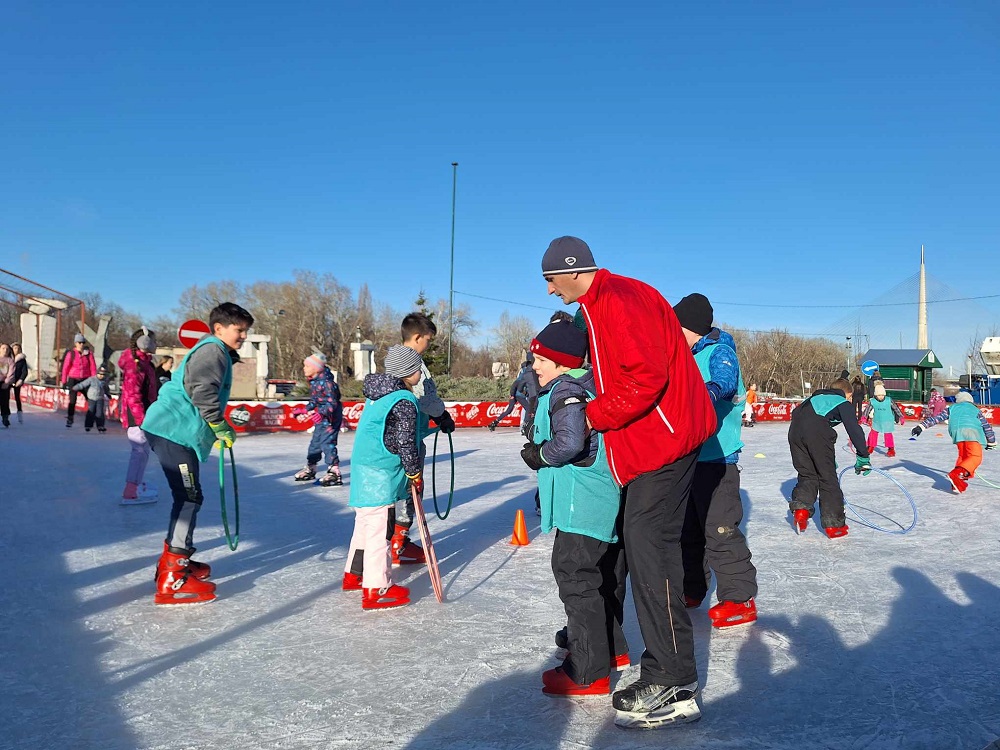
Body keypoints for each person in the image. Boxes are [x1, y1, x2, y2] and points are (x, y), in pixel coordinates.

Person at [540, 236, 716, 729]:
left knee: (649, 546)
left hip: (668, 438)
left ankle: (674, 681)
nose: (551, 291)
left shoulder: (618, 300)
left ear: (573, 271)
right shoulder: (600, 303)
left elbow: (645, 377)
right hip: (653, 444)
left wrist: (591, 415)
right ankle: (615, 648)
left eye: (551, 280)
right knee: (636, 543)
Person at [518, 320, 626, 696]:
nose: (534, 366)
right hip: (590, 499)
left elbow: (567, 443)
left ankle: (587, 671)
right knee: (597, 575)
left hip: (582, 502)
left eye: (540, 359)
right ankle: (613, 650)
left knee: (575, 576)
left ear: (562, 362)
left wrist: (538, 456)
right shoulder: (580, 384)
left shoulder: (567, 391)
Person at [142, 302, 254, 605]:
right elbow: (201, 391)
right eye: (238, 330)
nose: (243, 336)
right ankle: (173, 576)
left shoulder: (217, 351)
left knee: (190, 496)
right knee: (189, 497)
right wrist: (218, 425)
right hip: (171, 430)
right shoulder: (213, 350)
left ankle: (174, 560)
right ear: (218, 328)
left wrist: (218, 426)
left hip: (177, 431)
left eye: (245, 331)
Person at [674, 294, 758, 629]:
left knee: (720, 529)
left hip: (718, 457)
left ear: (690, 327)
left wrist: (706, 392)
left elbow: (723, 381)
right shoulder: (686, 354)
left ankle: (740, 598)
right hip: (690, 456)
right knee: (689, 529)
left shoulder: (719, 349)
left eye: (676, 326)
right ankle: (692, 588)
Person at [342, 345, 425, 610]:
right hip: (381, 473)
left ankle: (354, 574)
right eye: (417, 368)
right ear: (408, 371)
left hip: (364, 468)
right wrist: (413, 471)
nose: (420, 373)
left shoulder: (376, 395)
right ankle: (377, 587)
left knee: (365, 526)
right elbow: (404, 440)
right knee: (380, 530)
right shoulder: (403, 399)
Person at [390, 313, 455, 566]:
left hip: (392, 441)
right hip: (409, 438)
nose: (428, 345)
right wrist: (442, 416)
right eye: (427, 340)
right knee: (410, 489)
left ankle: (394, 540)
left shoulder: (392, 361)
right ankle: (399, 543)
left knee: (397, 490)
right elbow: (426, 397)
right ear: (417, 338)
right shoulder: (414, 366)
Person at [787, 377, 870, 538]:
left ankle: (801, 510)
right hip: (815, 434)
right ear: (848, 394)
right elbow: (854, 429)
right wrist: (863, 455)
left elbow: (806, 419)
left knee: (807, 474)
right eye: (851, 397)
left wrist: (822, 453)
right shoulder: (841, 401)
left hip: (794, 433)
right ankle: (834, 525)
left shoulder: (812, 399)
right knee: (828, 478)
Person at [911, 390, 996, 494]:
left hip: (957, 434)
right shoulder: (975, 409)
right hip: (972, 433)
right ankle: (956, 474)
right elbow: (986, 427)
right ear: (971, 401)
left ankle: (957, 482)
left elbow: (937, 418)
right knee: (975, 457)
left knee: (963, 456)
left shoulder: (952, 408)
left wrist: (921, 426)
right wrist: (991, 442)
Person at [118, 330, 160, 505]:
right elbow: (132, 395)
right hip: (137, 416)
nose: (157, 344)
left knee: (142, 452)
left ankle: (135, 485)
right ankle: (131, 492)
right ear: (146, 343)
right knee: (139, 451)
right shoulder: (135, 365)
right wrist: (142, 420)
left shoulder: (144, 363)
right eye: (154, 341)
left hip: (143, 414)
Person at [292, 352, 344, 486]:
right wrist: (305, 409)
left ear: (316, 367)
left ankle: (334, 471)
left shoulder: (327, 383)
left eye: (306, 366)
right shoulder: (315, 382)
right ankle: (311, 467)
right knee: (315, 443)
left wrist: (322, 413)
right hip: (322, 418)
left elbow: (332, 403)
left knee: (327, 443)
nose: (304, 368)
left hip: (331, 418)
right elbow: (315, 400)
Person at [488, 354, 538, 434]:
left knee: (509, 410)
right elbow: (516, 383)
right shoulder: (526, 371)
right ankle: (525, 426)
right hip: (519, 394)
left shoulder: (523, 370)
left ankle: (495, 422)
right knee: (528, 409)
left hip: (516, 393)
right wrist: (513, 394)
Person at [61, 334, 96, 428]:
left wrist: (94, 379)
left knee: (91, 399)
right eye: (79, 343)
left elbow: (93, 367)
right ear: (75, 343)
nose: (81, 345)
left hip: (86, 379)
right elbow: (65, 368)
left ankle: (92, 419)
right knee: (72, 400)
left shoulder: (89, 354)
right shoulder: (71, 354)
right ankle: (70, 417)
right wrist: (64, 381)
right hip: (74, 379)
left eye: (83, 343)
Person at [862, 382, 904, 457]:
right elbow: (867, 410)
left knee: (888, 435)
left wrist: (901, 416)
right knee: (873, 434)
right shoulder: (873, 401)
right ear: (875, 395)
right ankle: (870, 446)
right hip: (877, 420)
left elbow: (896, 408)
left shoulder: (888, 400)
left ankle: (891, 449)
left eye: (882, 395)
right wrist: (864, 417)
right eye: (879, 395)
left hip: (887, 420)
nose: (881, 397)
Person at [71, 365, 112, 432]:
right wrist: (75, 388)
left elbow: (106, 389)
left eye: (103, 374)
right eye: (99, 374)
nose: (101, 376)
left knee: (100, 412)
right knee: (91, 411)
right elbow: (83, 384)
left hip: (100, 398)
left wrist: (108, 394)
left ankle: (100, 426)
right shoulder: (92, 379)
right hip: (92, 398)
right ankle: (88, 425)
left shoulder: (104, 381)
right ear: (97, 373)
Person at [10, 343, 28, 424]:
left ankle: (20, 413)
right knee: (4, 397)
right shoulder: (8, 358)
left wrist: (21, 380)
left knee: (17, 397)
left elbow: (25, 371)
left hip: (17, 381)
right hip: (8, 380)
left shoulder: (22, 360)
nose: (16, 350)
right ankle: (5, 414)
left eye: (17, 348)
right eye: (14, 348)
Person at [0, 343, 14, 428]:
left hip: (4, 383)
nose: (5, 350)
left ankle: (5, 418)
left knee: (4, 401)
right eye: (3, 348)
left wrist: (7, 382)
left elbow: (11, 372)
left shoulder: (10, 361)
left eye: (7, 349)